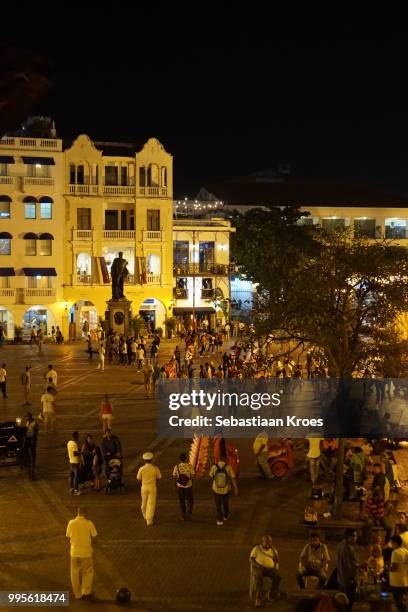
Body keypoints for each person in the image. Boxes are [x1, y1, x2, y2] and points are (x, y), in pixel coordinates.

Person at [66, 507, 97, 600]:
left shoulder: (71, 523)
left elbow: (68, 535)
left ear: (78, 513)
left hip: (74, 552)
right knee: (87, 572)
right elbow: (94, 535)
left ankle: (77, 593)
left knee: (74, 573)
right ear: (85, 513)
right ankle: (86, 592)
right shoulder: (89, 523)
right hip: (86, 552)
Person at [250, 535, 281, 606]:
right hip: (259, 568)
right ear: (262, 542)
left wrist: (273, 550)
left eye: (270, 542)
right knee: (259, 577)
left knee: (278, 577)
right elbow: (251, 559)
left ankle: (271, 592)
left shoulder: (273, 550)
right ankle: (258, 597)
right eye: (266, 542)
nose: (268, 544)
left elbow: (277, 560)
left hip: (270, 569)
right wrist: (259, 566)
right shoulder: (257, 549)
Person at [209, 454, 238, 525]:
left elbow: (211, 476)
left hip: (216, 489)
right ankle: (226, 515)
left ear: (218, 460)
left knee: (218, 505)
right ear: (226, 460)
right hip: (226, 489)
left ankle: (219, 520)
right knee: (225, 503)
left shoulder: (214, 467)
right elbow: (233, 478)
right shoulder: (228, 467)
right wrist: (236, 488)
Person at [137, 452, 162, 526]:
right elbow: (159, 477)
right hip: (152, 487)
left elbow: (138, 478)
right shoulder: (155, 468)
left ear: (144, 460)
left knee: (144, 502)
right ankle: (149, 520)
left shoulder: (141, 469)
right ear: (152, 460)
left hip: (144, 487)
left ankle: (144, 515)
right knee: (151, 503)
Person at [336, 529, 359, 609]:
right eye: (354, 536)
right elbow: (348, 565)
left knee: (343, 599)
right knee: (348, 601)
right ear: (349, 537)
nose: (356, 538)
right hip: (347, 579)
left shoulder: (341, 544)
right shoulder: (347, 549)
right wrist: (353, 578)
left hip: (341, 577)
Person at [172, 452, 195, 520]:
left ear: (179, 459)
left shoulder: (177, 467)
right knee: (190, 501)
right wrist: (191, 480)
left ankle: (183, 515)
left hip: (180, 487)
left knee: (182, 501)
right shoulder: (190, 466)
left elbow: (174, 477)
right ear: (186, 459)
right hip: (188, 486)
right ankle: (189, 514)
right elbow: (193, 475)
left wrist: (175, 486)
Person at [389, 534, 408, 612]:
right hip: (405, 582)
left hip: (396, 583)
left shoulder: (395, 552)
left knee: (399, 604)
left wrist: (387, 569)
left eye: (392, 543)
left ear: (396, 543)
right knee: (404, 603)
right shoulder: (406, 551)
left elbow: (394, 568)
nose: (391, 545)